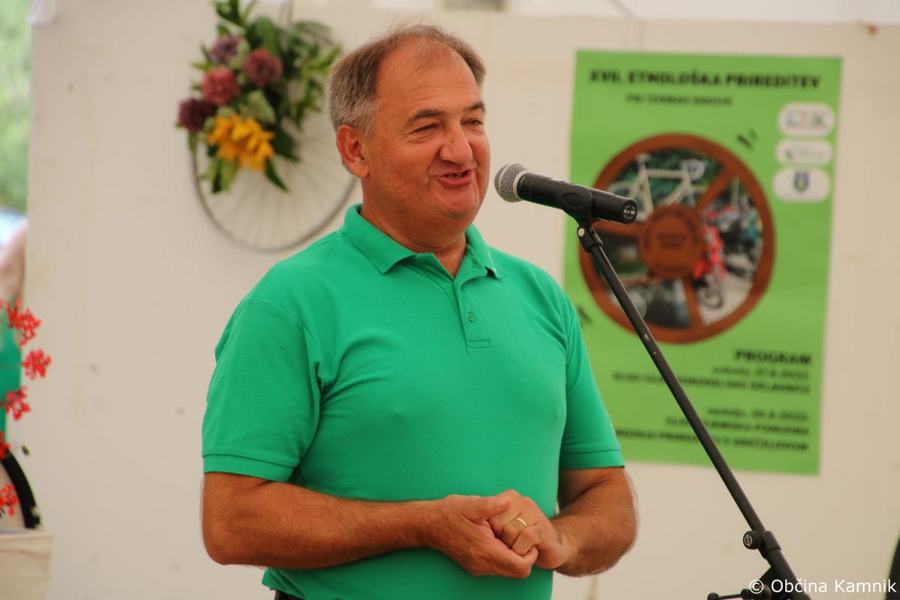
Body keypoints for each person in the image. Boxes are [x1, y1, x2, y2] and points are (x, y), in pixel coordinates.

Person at [201, 24, 636, 600]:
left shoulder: (541, 296)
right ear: (356, 150)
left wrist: (561, 538)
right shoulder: (290, 303)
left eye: (472, 121)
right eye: (427, 127)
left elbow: (606, 494)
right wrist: (420, 525)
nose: (460, 150)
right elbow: (230, 522)